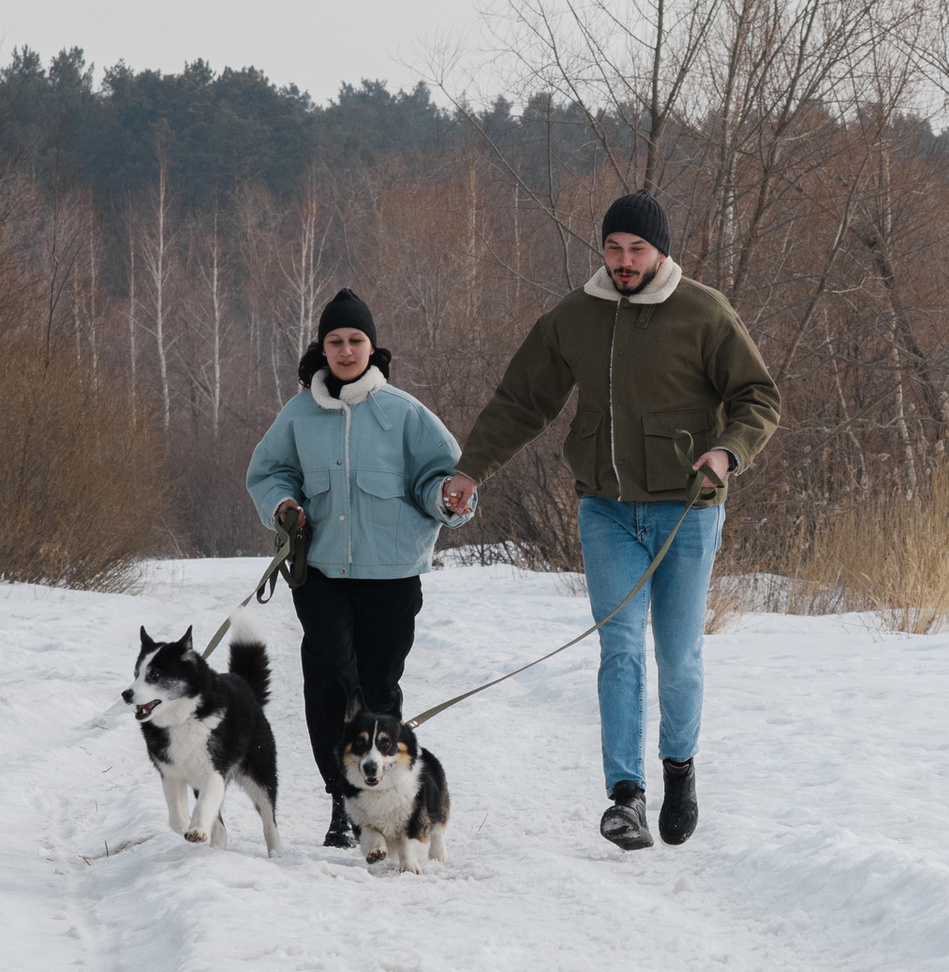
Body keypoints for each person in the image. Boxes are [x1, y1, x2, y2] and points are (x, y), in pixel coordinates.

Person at [439, 193, 779, 852]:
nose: (624, 263)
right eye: (614, 250)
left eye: (637, 251)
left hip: (687, 510)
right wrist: (471, 468)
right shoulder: (575, 316)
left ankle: (678, 769)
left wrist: (728, 449)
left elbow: (757, 394)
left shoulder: (704, 312)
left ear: (661, 252)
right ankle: (626, 796)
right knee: (620, 650)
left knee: (677, 658)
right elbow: (521, 400)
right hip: (606, 510)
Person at [246, 290, 463, 852]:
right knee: (330, 684)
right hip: (319, 572)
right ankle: (343, 803)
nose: (345, 350)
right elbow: (268, 472)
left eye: (356, 341)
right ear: (322, 349)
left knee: (378, 687)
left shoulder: (405, 412)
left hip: (392, 574)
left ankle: (387, 804)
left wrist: (447, 498)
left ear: (373, 348)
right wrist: (283, 505)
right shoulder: (298, 414)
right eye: (335, 342)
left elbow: (440, 476)